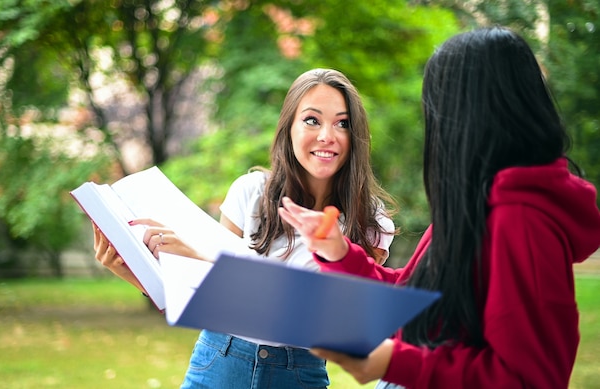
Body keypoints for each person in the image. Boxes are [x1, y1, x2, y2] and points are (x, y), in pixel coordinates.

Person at [278, 27, 600, 389]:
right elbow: (418, 298)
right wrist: (338, 253)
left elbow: (528, 379)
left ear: (466, 116)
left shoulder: (522, 219)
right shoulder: (480, 199)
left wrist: (392, 361)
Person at [92, 68, 397, 388]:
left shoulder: (370, 222)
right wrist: (136, 271)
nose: (326, 135)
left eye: (342, 123)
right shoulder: (250, 192)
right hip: (217, 361)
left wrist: (201, 261)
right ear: (288, 128)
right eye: (311, 120)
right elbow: (211, 304)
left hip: (296, 374)